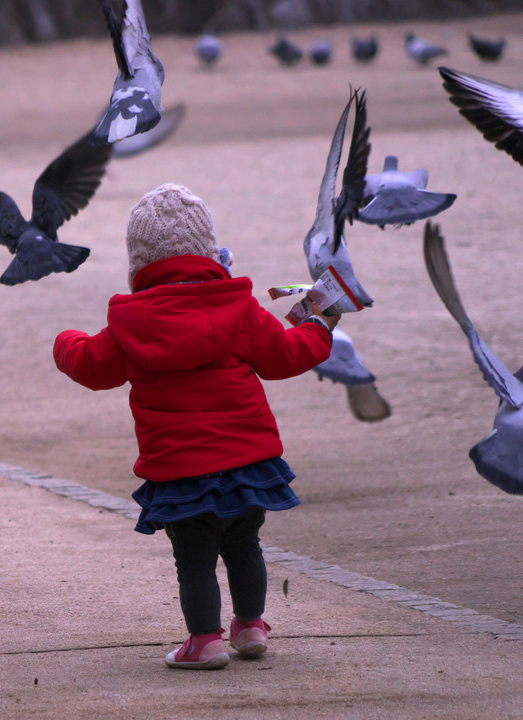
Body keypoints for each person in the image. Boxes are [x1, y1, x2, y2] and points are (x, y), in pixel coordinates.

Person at [53, 183, 339, 670]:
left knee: (195, 559)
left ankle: (204, 642)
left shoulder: (131, 321)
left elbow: (91, 367)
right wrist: (317, 326)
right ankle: (250, 627)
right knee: (245, 544)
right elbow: (287, 356)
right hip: (248, 462)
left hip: (180, 471)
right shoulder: (239, 306)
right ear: (209, 250)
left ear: (139, 261)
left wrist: (65, 340)